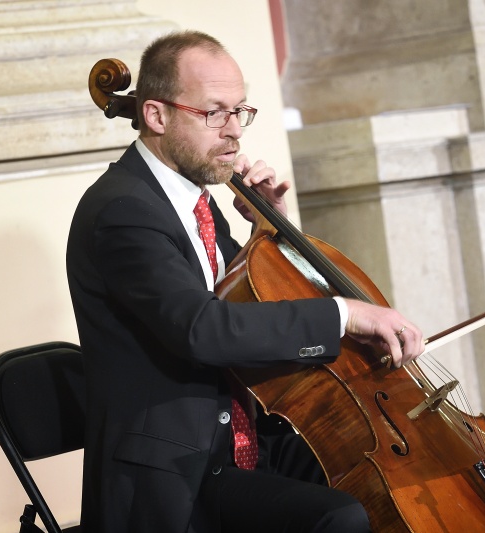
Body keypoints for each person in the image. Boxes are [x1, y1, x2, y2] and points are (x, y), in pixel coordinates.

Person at [66, 30, 424, 533]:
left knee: (379, 483)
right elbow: (203, 329)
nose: (234, 131)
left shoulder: (194, 198)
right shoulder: (124, 210)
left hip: (246, 441)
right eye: (214, 113)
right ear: (155, 114)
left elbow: (253, 300)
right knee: (337, 517)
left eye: (240, 112)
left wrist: (271, 231)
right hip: (176, 474)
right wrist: (346, 313)